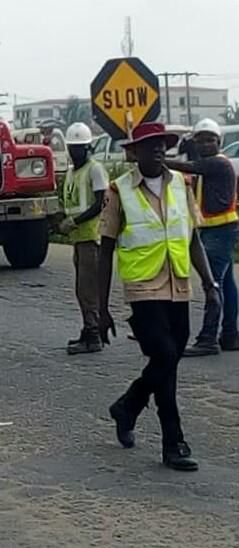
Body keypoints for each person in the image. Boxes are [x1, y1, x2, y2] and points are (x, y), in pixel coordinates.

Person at [98, 123, 218, 472]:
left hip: (178, 285)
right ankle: (173, 442)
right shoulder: (118, 191)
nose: (157, 150)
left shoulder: (182, 185)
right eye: (149, 145)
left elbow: (192, 238)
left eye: (162, 145)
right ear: (134, 152)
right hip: (143, 288)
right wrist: (101, 309)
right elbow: (105, 251)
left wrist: (210, 284)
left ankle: (129, 406)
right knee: (165, 355)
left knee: (169, 364)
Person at [166, 118, 238, 356]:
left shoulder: (217, 164)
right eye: (201, 140)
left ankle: (208, 339)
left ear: (219, 142)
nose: (206, 144)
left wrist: (158, 160)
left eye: (211, 140)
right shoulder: (213, 163)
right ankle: (229, 335)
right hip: (217, 230)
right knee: (226, 285)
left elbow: (190, 168)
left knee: (213, 283)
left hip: (219, 231)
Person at [57, 123, 109, 355]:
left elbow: (99, 204)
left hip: (91, 236)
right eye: (73, 147)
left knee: (88, 290)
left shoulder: (95, 170)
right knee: (82, 290)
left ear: (88, 148)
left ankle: (93, 335)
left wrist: (75, 222)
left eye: (80, 148)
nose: (76, 152)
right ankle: (89, 329)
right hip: (78, 237)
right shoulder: (71, 171)